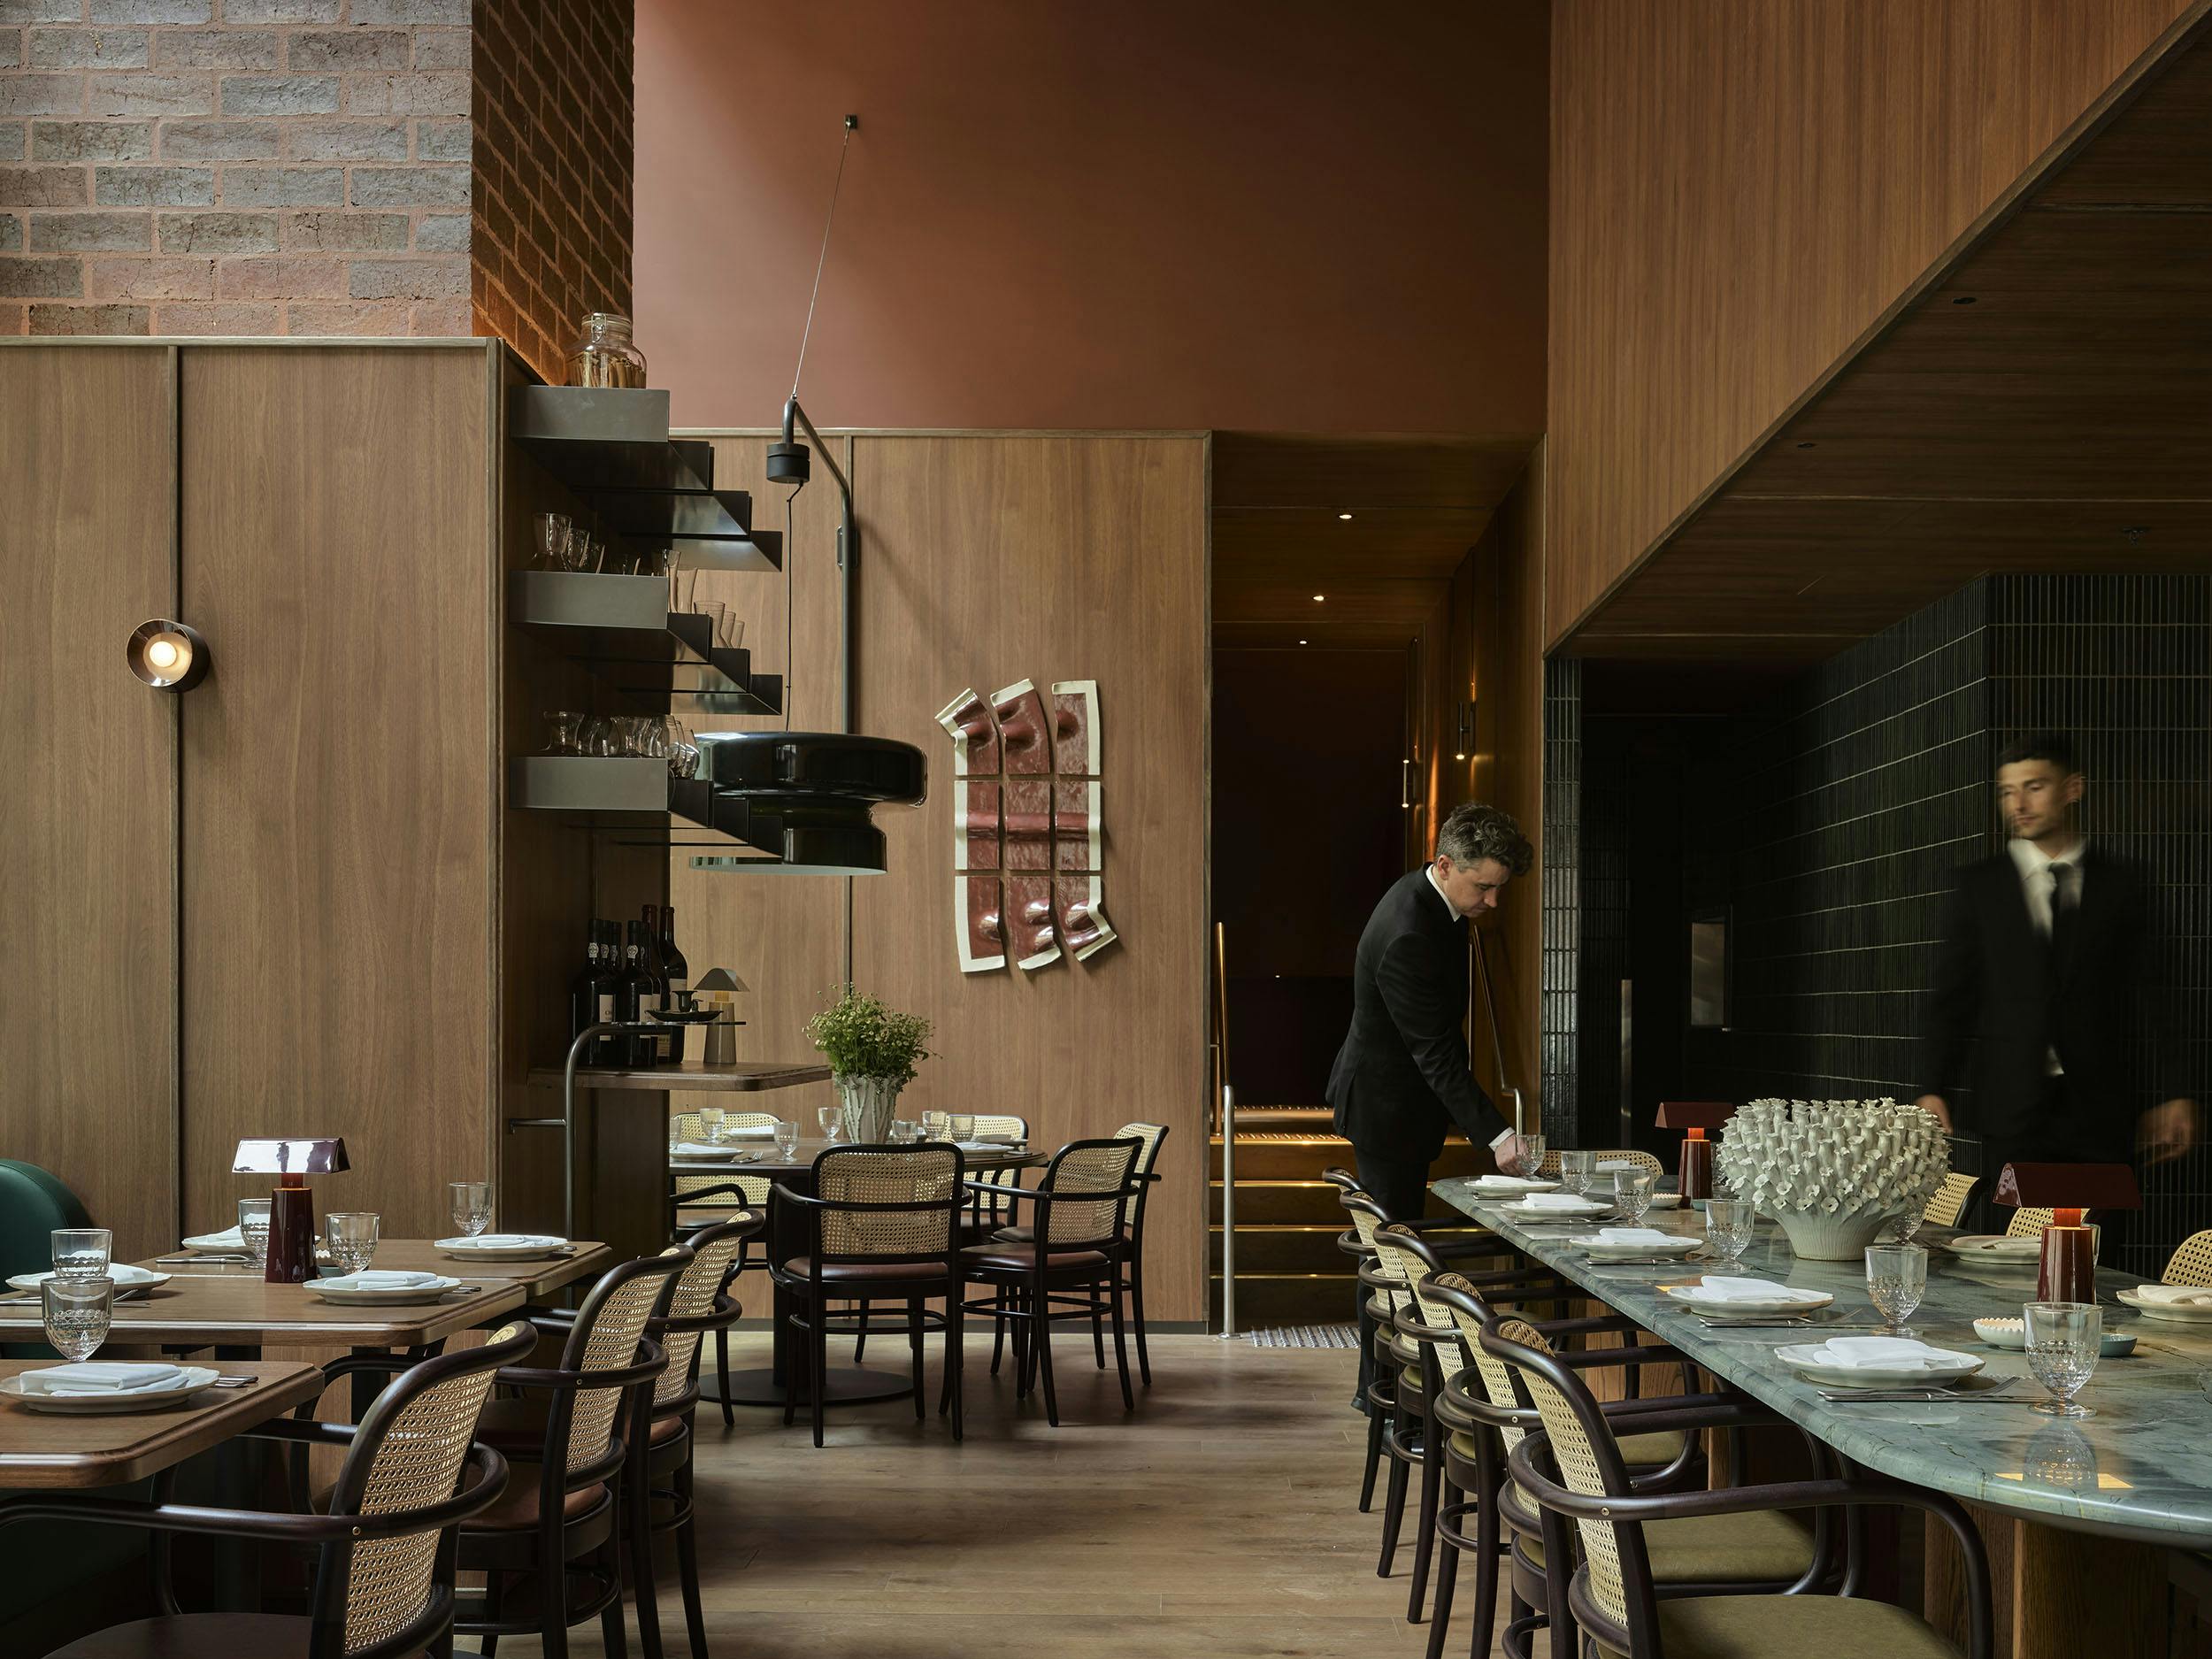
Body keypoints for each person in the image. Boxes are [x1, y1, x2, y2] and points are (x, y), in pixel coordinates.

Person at [1916, 732, 2196, 1234]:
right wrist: (1932, 1087)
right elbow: (1952, 997)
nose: (2018, 804)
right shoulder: (1981, 886)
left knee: (2096, 1252)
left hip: (2101, 1107)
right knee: (2009, 1252)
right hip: (2012, 1107)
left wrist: (2177, 1092)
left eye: (2034, 786)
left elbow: (2157, 994)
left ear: (2072, 789)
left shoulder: (2122, 884)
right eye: (2007, 791)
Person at [1328, 800, 1537, 1225]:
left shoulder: (1433, 899)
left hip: (1402, 1106)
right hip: (1385, 1110)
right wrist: (1498, 1135)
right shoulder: (1409, 932)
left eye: (1500, 888)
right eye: (1483, 887)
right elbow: (1434, 1050)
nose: (1493, 901)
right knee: (1393, 1250)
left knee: (1398, 1244)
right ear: (1444, 865)